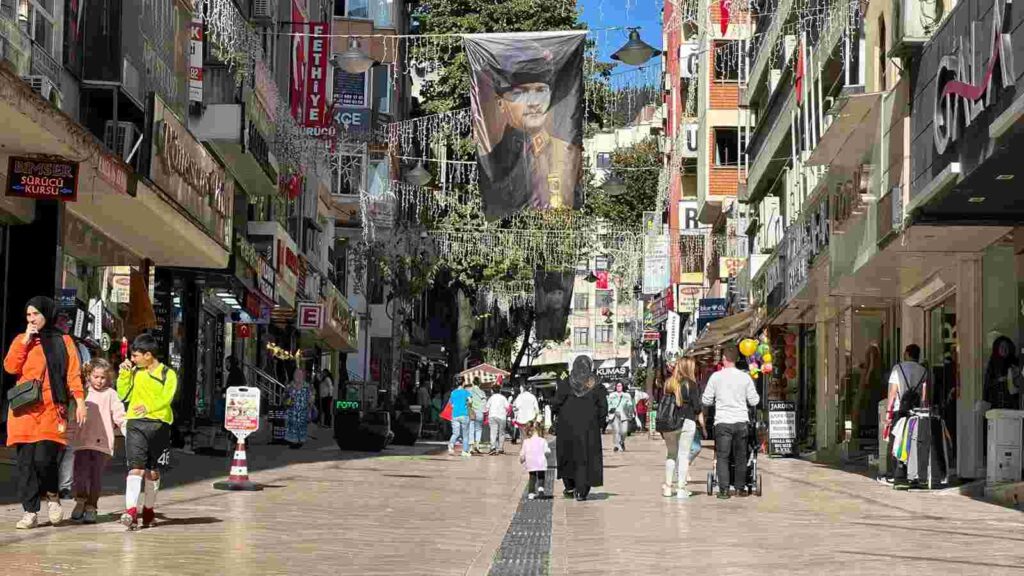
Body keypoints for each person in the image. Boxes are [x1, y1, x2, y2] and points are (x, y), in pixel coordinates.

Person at [4, 297, 87, 529]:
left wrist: (79, 401)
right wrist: (25, 340)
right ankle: (30, 512)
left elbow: (73, 374)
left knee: (44, 459)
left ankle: (52, 494)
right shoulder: (22, 340)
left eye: (36, 315)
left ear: (47, 315)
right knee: (25, 465)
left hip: (52, 408)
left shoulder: (64, 341)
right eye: (28, 315)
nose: (32, 319)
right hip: (24, 411)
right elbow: (10, 367)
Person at [477, 46, 582, 215]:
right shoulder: (490, 162)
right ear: (501, 103)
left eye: (541, 91)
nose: (534, 103)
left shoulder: (570, 155)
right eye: (521, 93)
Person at [117, 333, 178, 530]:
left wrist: (149, 407)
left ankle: (149, 510)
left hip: (159, 425)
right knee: (135, 468)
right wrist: (124, 374)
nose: (132, 359)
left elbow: (166, 398)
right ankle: (131, 512)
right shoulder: (134, 372)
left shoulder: (168, 374)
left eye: (135, 356)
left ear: (148, 355)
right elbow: (122, 394)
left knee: (152, 472)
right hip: (135, 424)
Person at [69, 359, 126, 523]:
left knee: (96, 477)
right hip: (82, 441)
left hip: (102, 443)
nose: (99, 381)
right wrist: (67, 435)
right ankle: (80, 501)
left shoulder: (111, 394)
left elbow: (120, 415)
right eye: (96, 377)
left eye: (103, 377)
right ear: (89, 375)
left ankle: (91, 506)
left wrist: (128, 430)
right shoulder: (82, 393)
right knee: (79, 474)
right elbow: (73, 417)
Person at [702, 345, 760, 499]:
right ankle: (740, 489)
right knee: (741, 456)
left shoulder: (716, 377)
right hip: (741, 421)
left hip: (722, 422)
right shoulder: (745, 377)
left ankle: (724, 490)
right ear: (737, 359)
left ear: (724, 359)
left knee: (723, 456)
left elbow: (706, 400)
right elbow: (754, 400)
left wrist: (716, 399)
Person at [552, 356, 606, 501]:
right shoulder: (595, 383)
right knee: (586, 457)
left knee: (567, 455)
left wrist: (557, 415)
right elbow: (603, 408)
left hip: (567, 428)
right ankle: (582, 491)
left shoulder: (566, 383)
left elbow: (556, 403)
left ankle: (570, 487)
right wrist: (601, 424)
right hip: (589, 428)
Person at [882, 344, 928, 486]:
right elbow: (925, 396)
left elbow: (892, 393)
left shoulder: (898, 369)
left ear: (907, 353)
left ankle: (897, 473)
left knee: (896, 441)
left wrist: (888, 413)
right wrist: (924, 410)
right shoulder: (923, 371)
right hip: (916, 412)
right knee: (914, 441)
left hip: (899, 411)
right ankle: (913, 473)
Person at [660, 357, 705, 499]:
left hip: (668, 423)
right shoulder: (690, 384)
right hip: (686, 422)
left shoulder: (669, 383)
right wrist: (702, 424)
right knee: (684, 456)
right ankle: (681, 489)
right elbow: (697, 407)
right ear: (688, 368)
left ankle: (667, 487)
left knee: (671, 454)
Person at [984, 336, 1020, 410]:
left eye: (1006, 346)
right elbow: (987, 384)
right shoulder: (992, 364)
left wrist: (1017, 374)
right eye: (1002, 346)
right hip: (995, 405)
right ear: (997, 348)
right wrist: (998, 380)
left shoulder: (1015, 362)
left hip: (1012, 405)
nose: (1004, 349)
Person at [520, 422, 551, 499]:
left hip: (531, 462)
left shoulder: (526, 441)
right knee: (541, 476)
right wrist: (546, 455)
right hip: (540, 462)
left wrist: (522, 459)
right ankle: (541, 490)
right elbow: (547, 451)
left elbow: (522, 453)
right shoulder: (543, 440)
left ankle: (531, 493)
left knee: (532, 477)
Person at [284, 368, 312, 449]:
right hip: (292, 411)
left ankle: (300, 440)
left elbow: (311, 399)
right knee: (292, 426)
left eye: (300, 374)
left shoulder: (308, 386)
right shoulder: (289, 386)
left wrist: (310, 410)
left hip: (303, 410)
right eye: (296, 374)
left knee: (302, 425)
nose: (298, 376)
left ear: (303, 376)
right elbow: (284, 397)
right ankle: (293, 441)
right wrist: (287, 400)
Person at [447, 379, 473, 457]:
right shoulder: (466, 392)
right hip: (464, 414)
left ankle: (451, 446)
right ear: (463, 383)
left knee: (456, 433)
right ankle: (464, 451)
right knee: (465, 434)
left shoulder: (453, 392)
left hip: (455, 415)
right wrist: (467, 404)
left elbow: (451, 404)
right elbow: (470, 401)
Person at [607, 382, 634, 452]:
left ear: (623, 387)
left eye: (620, 386)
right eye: (617, 386)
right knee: (617, 431)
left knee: (624, 431)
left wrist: (630, 410)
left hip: (624, 415)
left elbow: (630, 405)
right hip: (614, 415)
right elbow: (608, 404)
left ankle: (621, 442)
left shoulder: (627, 395)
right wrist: (610, 410)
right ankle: (617, 445)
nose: (619, 387)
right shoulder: (612, 395)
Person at [486, 390, 510, 455]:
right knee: (501, 433)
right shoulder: (503, 398)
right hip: (502, 416)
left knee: (493, 432)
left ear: (492, 391)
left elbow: (487, 407)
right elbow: (508, 407)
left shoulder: (491, 398)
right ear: (499, 390)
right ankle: (500, 448)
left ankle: (493, 447)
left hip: (492, 416)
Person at [469, 378, 487, 453]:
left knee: (471, 428)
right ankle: (477, 444)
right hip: (480, 412)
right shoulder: (482, 392)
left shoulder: (469, 391)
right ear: (479, 384)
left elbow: (469, 401)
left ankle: (471, 447)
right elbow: (484, 402)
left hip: (472, 411)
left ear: (473, 383)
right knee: (479, 429)